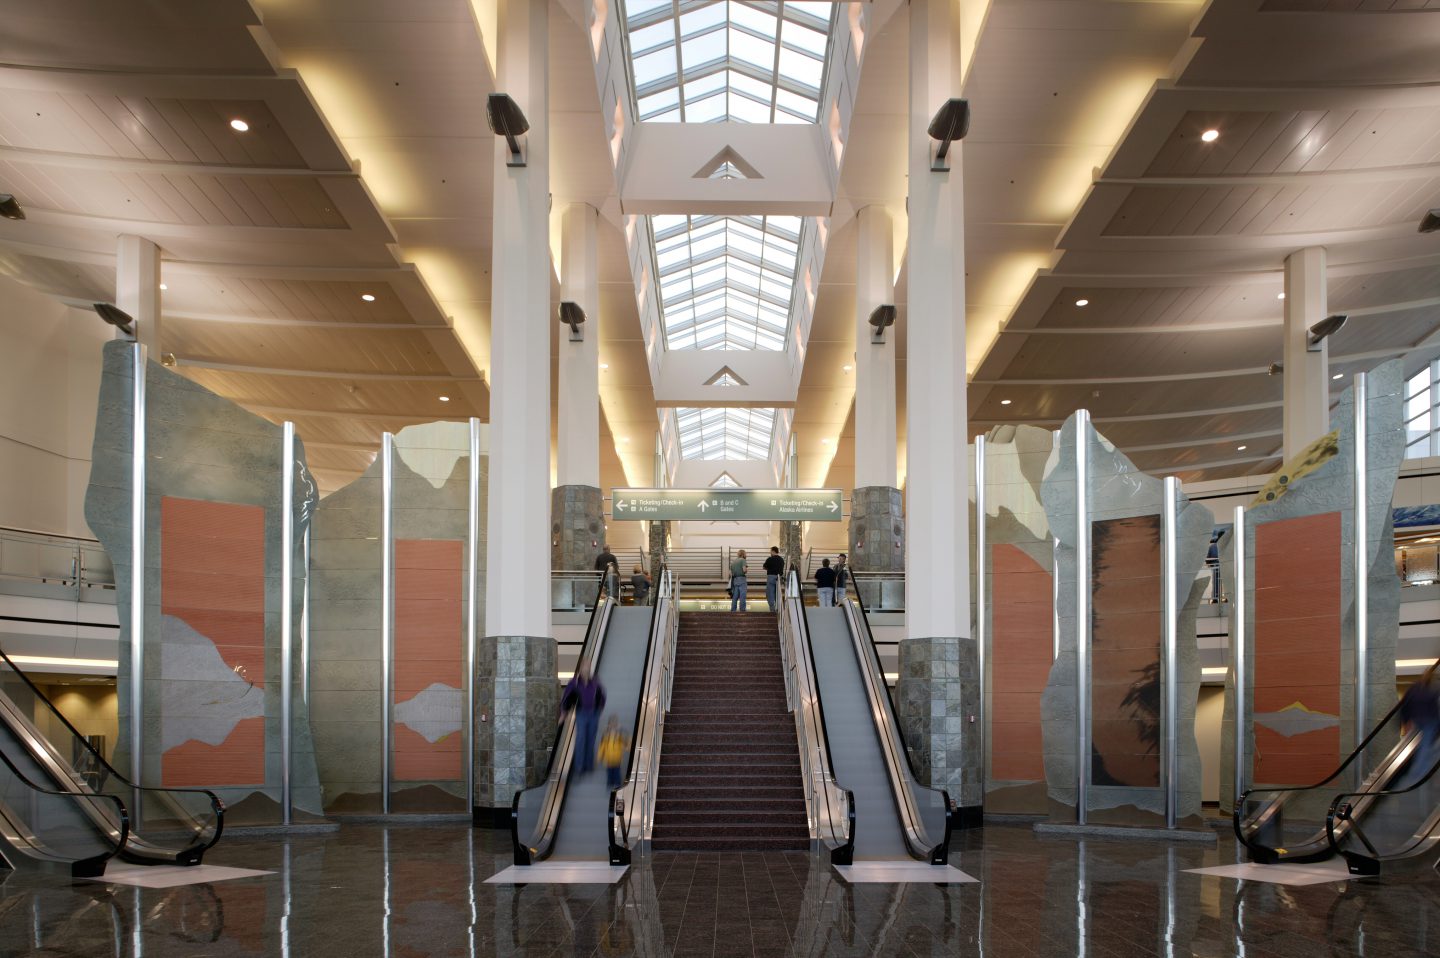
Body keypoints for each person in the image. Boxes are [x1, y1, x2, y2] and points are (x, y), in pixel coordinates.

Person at [1396, 664, 1440, 788]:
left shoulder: (1414, 688)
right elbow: (1435, 708)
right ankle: (1419, 776)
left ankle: (1416, 773)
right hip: (1430, 721)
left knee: (1424, 746)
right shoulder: (1433, 689)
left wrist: (1405, 722)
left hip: (1417, 721)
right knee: (1426, 746)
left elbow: (1405, 705)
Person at [561, 664, 606, 776]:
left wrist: (600, 708)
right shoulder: (574, 683)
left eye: (588, 668)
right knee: (581, 738)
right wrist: (564, 712)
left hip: (594, 714)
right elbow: (567, 697)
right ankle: (579, 766)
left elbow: (602, 695)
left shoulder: (595, 682)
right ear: (580, 670)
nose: (586, 670)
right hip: (581, 713)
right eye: (584, 668)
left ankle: (589, 765)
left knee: (591, 739)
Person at [597, 716, 628, 791]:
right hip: (609, 760)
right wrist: (600, 757)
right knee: (610, 774)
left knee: (617, 774)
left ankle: (618, 787)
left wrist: (621, 732)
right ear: (609, 726)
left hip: (617, 759)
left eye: (615, 725)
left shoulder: (619, 736)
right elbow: (602, 747)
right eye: (611, 725)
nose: (613, 728)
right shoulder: (605, 737)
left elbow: (625, 743)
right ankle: (610, 787)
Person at [763, 546, 785, 612]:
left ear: (773, 551)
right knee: (777, 593)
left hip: (771, 577)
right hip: (779, 577)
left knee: (770, 593)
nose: (770, 552)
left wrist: (769, 568)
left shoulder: (770, 559)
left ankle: (772, 610)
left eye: (770, 551)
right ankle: (778, 609)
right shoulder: (781, 559)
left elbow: (764, 567)